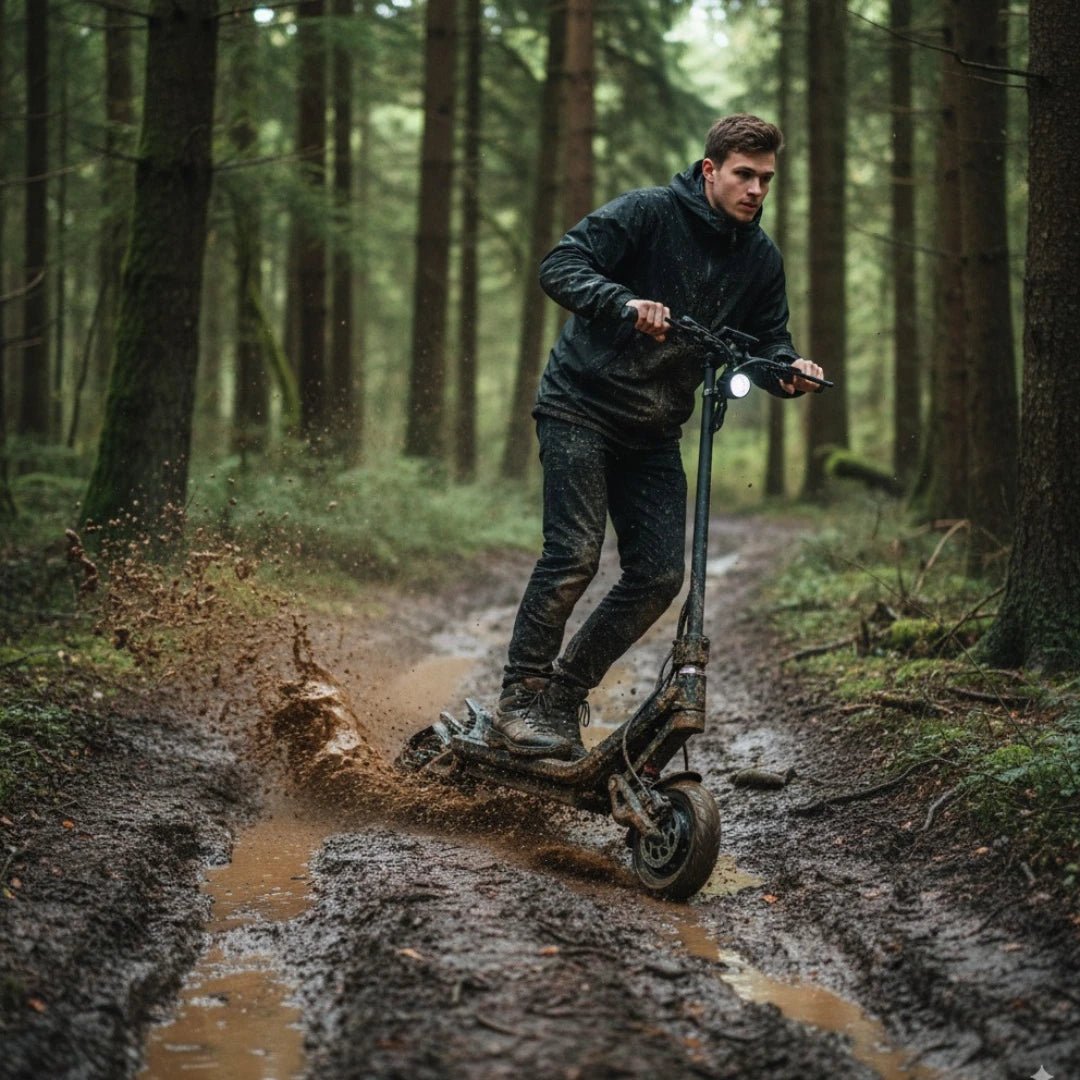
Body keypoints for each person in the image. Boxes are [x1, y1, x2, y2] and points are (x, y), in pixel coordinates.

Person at [490, 114, 825, 760]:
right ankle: (517, 700)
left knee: (659, 575)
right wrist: (622, 302)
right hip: (580, 404)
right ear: (710, 171)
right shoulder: (647, 214)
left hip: (654, 430)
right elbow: (560, 265)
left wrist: (793, 373)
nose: (756, 190)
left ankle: (559, 701)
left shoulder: (760, 259)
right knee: (575, 555)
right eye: (744, 175)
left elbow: (766, 346)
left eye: (766, 179)